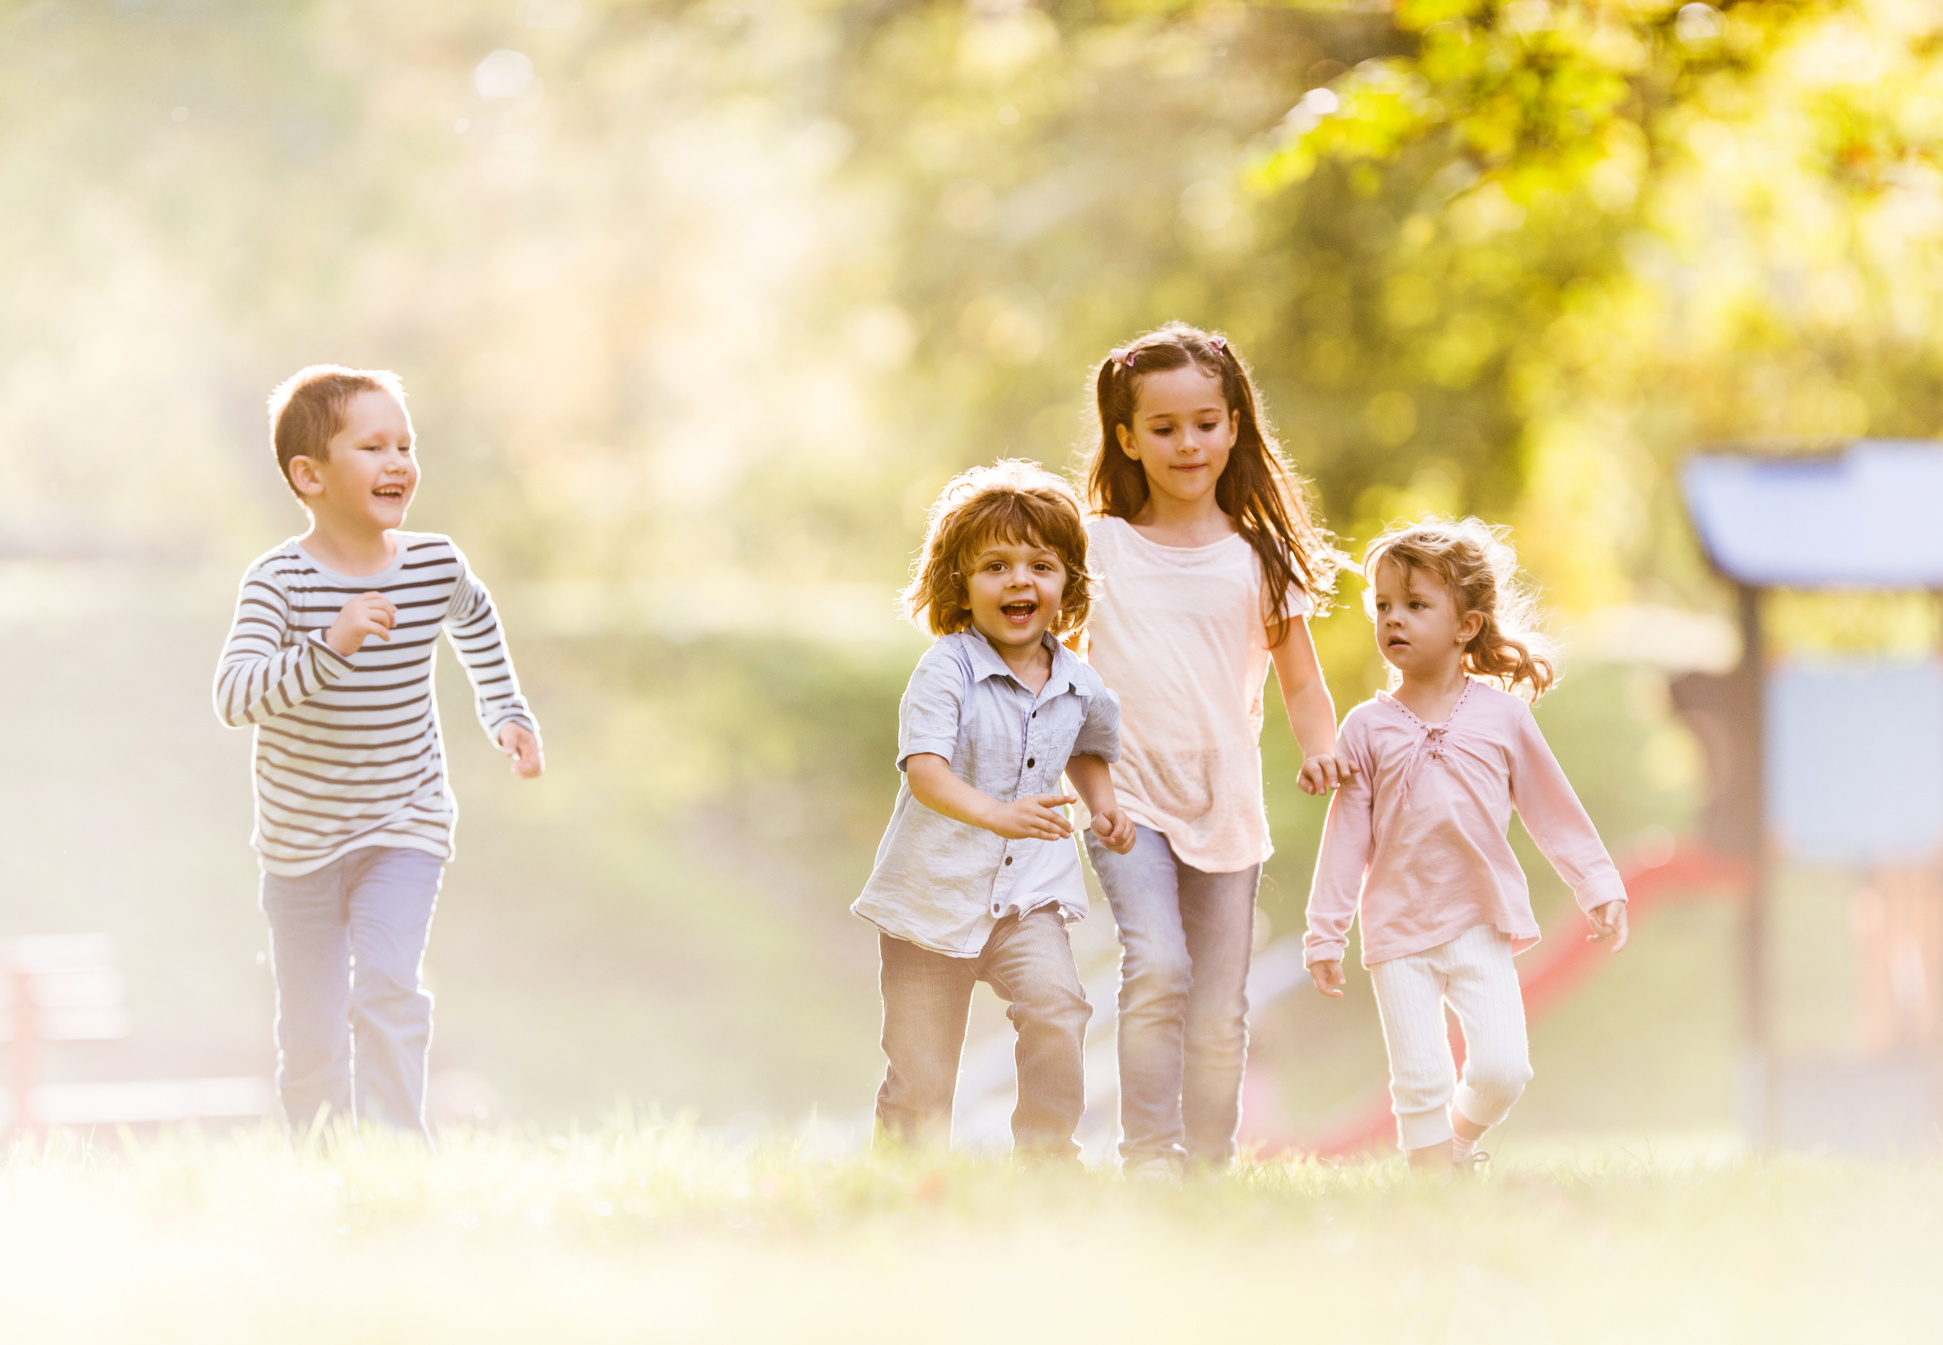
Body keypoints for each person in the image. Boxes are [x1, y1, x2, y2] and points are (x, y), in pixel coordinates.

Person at [213, 365, 542, 1139]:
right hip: (298, 848)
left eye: (405, 443)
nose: (398, 461)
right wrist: (329, 645)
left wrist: (505, 709)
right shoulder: (279, 583)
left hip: (405, 821)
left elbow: (475, 616)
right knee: (312, 1035)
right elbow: (234, 696)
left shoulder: (432, 564)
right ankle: (324, 1170)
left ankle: (397, 1156)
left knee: (389, 983)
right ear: (310, 474)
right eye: (372, 445)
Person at [1080, 322, 1350, 1179]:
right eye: (1163, 428)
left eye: (1204, 422)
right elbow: (1044, 666)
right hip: (1126, 800)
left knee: (1218, 1007)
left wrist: (1323, 748)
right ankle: (1146, 1158)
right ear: (1127, 437)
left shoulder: (1257, 557)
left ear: (1233, 424)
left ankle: (1207, 1166)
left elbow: (1301, 682)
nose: (1186, 442)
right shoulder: (1097, 548)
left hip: (1224, 804)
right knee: (1156, 964)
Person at [1303, 518, 1630, 1174]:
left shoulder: (1502, 717)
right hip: (1397, 928)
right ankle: (1431, 1189)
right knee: (1420, 1076)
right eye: (1383, 605)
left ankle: (1452, 1146)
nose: (1393, 619)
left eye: (1415, 605)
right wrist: (1324, 931)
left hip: (1480, 921)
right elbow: (1344, 836)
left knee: (1504, 1068)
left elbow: (1552, 810)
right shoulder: (1365, 727)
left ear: (1466, 626)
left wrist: (1596, 883)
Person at [853, 459, 1135, 1163]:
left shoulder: (1079, 680)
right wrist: (999, 814)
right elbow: (925, 772)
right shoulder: (945, 669)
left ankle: (1045, 1161)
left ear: (1066, 582)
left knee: (1057, 1010)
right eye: (996, 566)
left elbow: (1087, 749)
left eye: (1040, 565)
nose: (1019, 581)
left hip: (1027, 898)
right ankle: (903, 1184)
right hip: (931, 896)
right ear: (960, 584)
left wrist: (1103, 807)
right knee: (922, 1070)